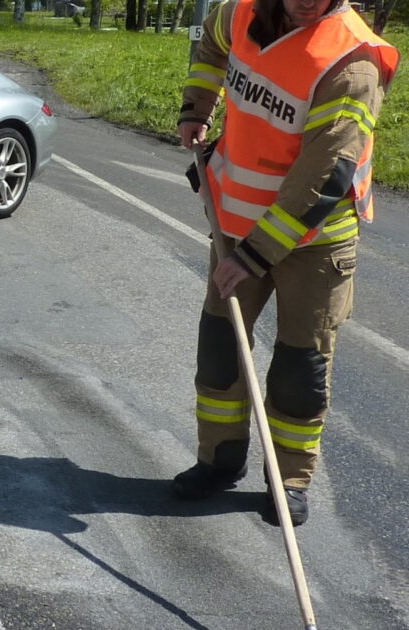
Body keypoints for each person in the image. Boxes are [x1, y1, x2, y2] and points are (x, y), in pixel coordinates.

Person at [173, 0, 397, 526]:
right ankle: (218, 462)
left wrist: (252, 257)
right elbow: (211, 46)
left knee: (301, 369)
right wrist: (197, 105)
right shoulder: (239, 13)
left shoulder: (352, 60)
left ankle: (289, 479)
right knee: (221, 350)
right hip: (237, 227)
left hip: (315, 241)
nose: (304, 1)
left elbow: (323, 178)